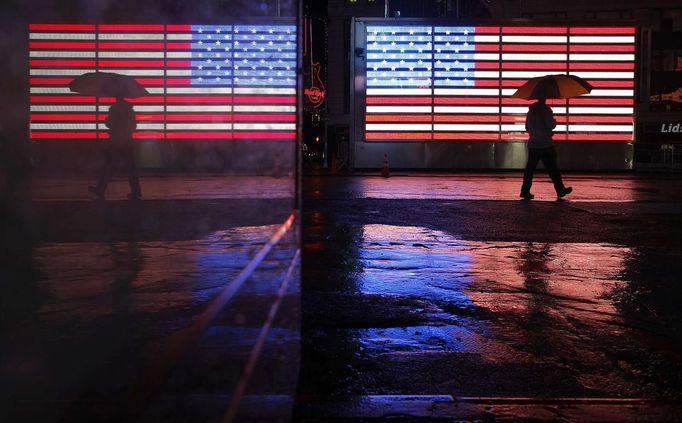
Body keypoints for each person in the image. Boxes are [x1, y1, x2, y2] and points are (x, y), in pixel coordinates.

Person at [520, 98, 572, 200]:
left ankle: (525, 191)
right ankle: (560, 189)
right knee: (553, 168)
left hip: (533, 143)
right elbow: (550, 125)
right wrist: (554, 121)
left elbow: (526, 127)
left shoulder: (531, 110)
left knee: (530, 169)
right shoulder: (546, 109)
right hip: (545, 143)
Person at [89, 97, 141, 200]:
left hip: (116, 141)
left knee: (108, 165)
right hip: (127, 141)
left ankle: (101, 188)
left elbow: (109, 124)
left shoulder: (114, 108)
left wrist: (108, 120)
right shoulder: (129, 108)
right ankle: (136, 190)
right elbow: (133, 125)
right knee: (130, 167)